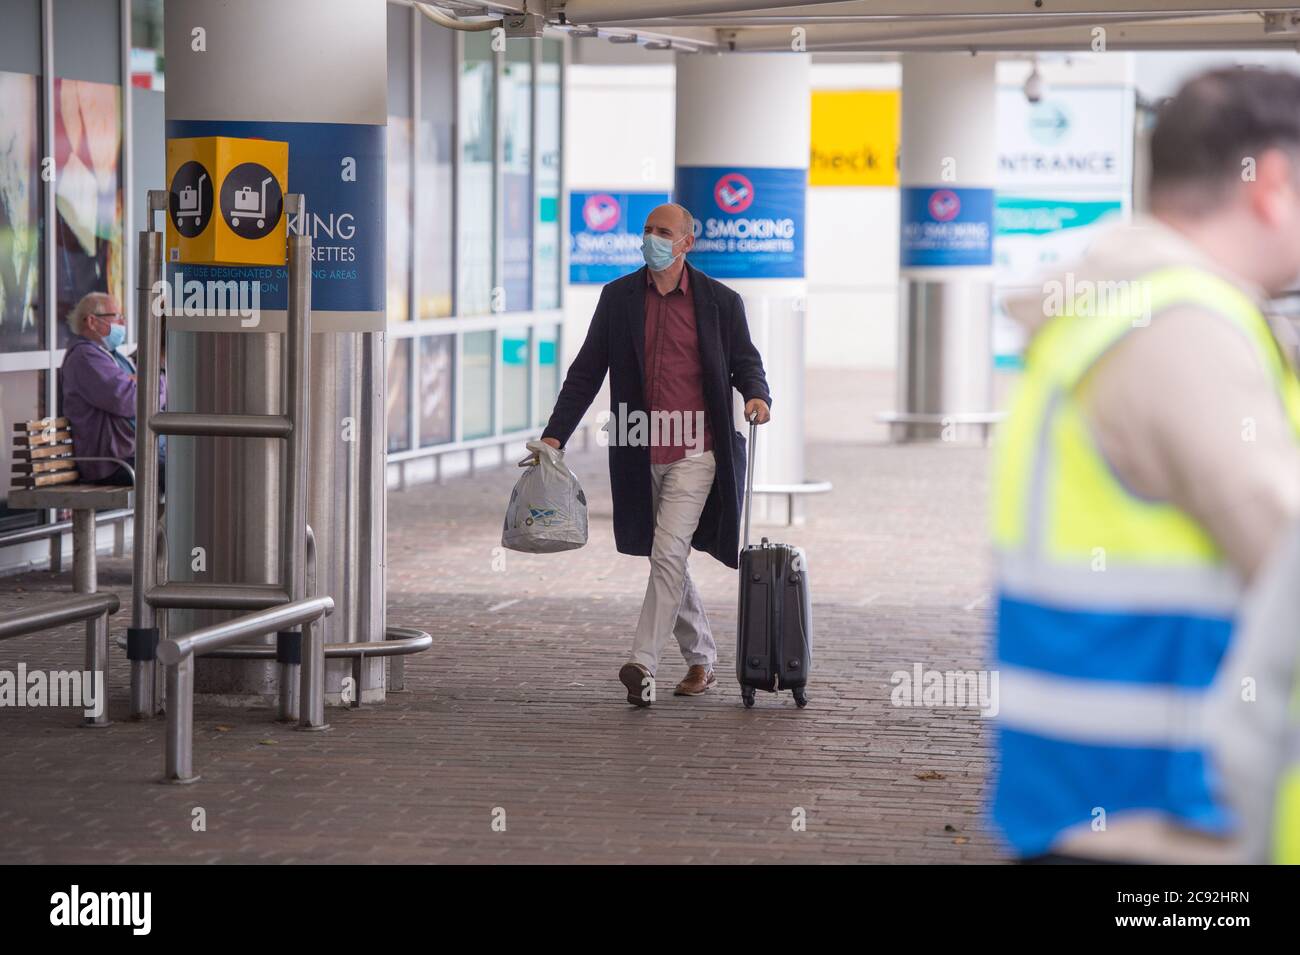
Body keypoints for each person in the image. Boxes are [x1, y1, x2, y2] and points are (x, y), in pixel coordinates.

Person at [991, 67, 1300, 863]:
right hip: (1166, 829)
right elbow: (1285, 547)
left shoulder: (1126, 307)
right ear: (1270, 182)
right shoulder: (1181, 327)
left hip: (1105, 804)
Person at [541, 202, 772, 706]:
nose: (652, 238)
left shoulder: (720, 301)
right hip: (637, 446)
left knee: (668, 551)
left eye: (663, 232)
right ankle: (702, 658)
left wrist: (756, 395)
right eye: (647, 230)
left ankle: (641, 662)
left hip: (698, 450)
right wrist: (554, 437)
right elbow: (586, 372)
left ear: (687, 242)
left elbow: (744, 362)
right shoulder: (619, 298)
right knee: (665, 553)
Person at [60, 291, 167, 486]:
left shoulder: (112, 356)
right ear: (92, 321)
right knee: (185, 472)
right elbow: (134, 401)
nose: (123, 324)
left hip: (133, 454)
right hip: (113, 462)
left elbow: (145, 391)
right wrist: (154, 382)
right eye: (117, 317)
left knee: (193, 464)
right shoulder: (85, 357)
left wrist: (142, 382)